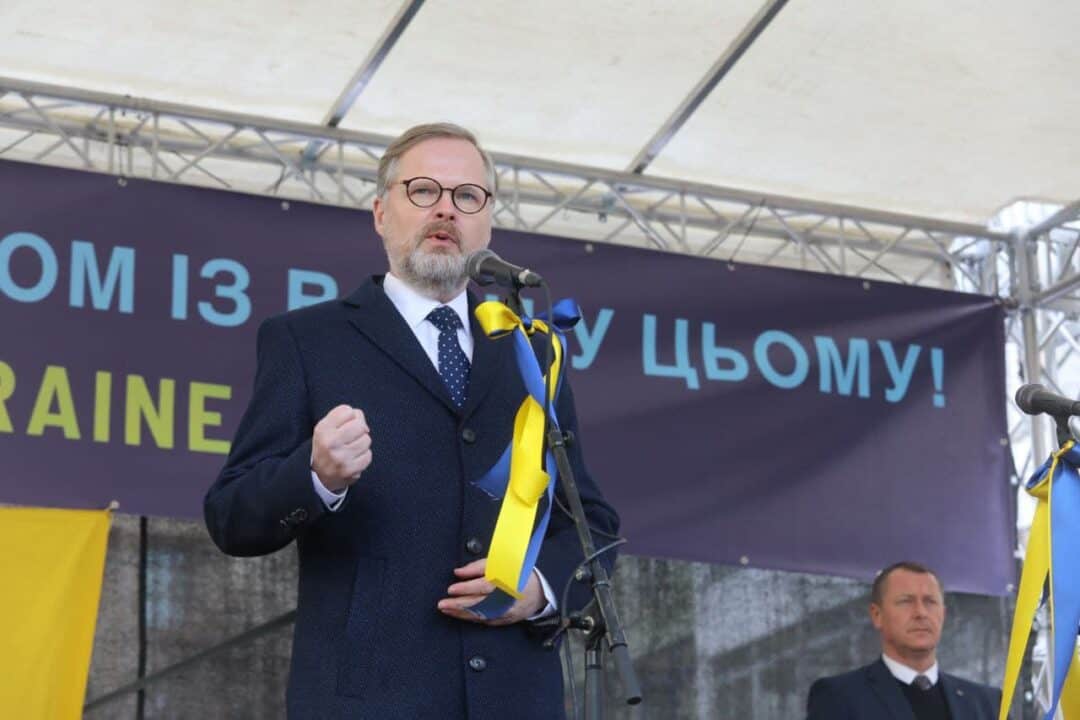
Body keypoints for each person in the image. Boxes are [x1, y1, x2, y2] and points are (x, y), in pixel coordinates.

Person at [204, 122, 619, 720]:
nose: (446, 210)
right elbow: (231, 516)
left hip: (515, 699)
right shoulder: (307, 340)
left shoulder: (532, 350)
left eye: (467, 196)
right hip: (369, 699)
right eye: (423, 190)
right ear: (380, 212)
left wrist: (540, 592)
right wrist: (315, 475)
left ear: (488, 222)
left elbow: (591, 522)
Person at [805, 561, 1002, 720]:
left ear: (943, 614)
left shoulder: (988, 704)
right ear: (877, 615)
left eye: (930, 602)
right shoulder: (840, 697)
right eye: (905, 601)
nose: (921, 613)